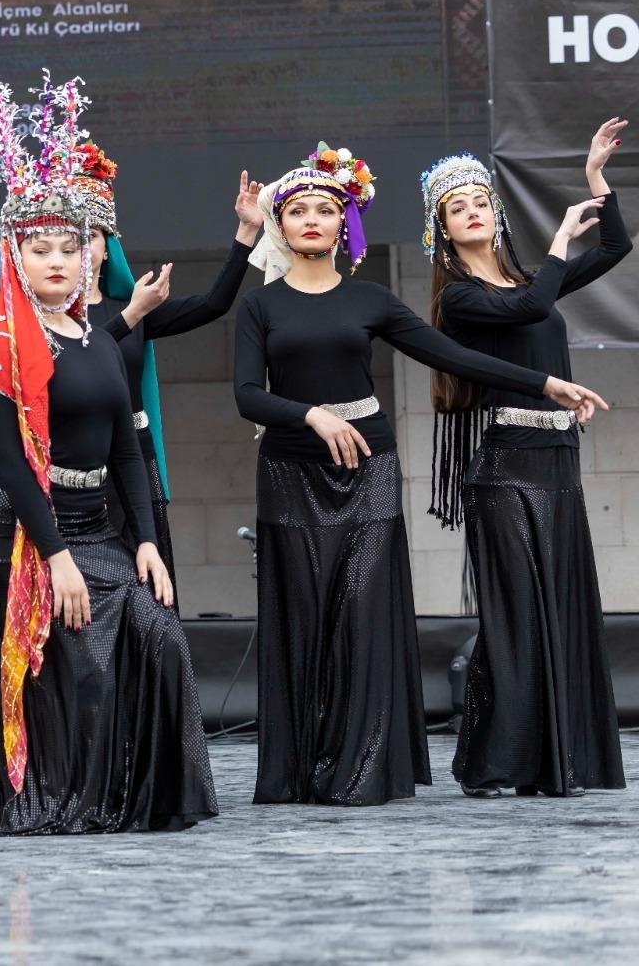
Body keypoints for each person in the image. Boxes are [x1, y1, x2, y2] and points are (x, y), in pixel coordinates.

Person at [234, 142, 607, 807]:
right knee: (304, 614)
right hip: (290, 469)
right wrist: (310, 415)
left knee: (362, 611)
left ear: (344, 224)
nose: (312, 219)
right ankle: (301, 769)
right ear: (281, 227)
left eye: (325, 209)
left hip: (369, 464)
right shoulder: (261, 308)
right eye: (298, 211)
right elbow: (246, 396)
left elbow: (454, 357)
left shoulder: (371, 299)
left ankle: (364, 767)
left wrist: (545, 383)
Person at [0, 74, 216, 835]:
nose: (57, 260)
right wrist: (54, 557)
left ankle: (132, 792)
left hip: (96, 524)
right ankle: (52, 790)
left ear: (87, 257)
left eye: (68, 247)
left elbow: (127, 449)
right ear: (15, 256)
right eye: (40, 248)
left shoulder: (99, 338)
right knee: (73, 661)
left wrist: (146, 539)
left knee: (160, 639)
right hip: (26, 528)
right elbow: (10, 465)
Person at [424, 120, 630, 799]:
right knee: (517, 616)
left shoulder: (527, 281)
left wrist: (595, 179)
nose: (473, 211)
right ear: (443, 231)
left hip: (559, 460)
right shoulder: (461, 298)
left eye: (481, 201)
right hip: (506, 467)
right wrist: (560, 239)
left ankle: (559, 759)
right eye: (458, 208)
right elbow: (533, 303)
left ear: (496, 213)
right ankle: (497, 761)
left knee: (562, 609)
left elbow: (617, 246)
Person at [79, 141, 256, 608]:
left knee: (146, 587)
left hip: (134, 457)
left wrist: (245, 232)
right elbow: (74, 359)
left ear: (106, 248)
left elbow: (214, 304)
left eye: (90, 236)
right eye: (67, 237)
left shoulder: (132, 307)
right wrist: (133, 314)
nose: (79, 248)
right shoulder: (46, 322)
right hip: (74, 461)